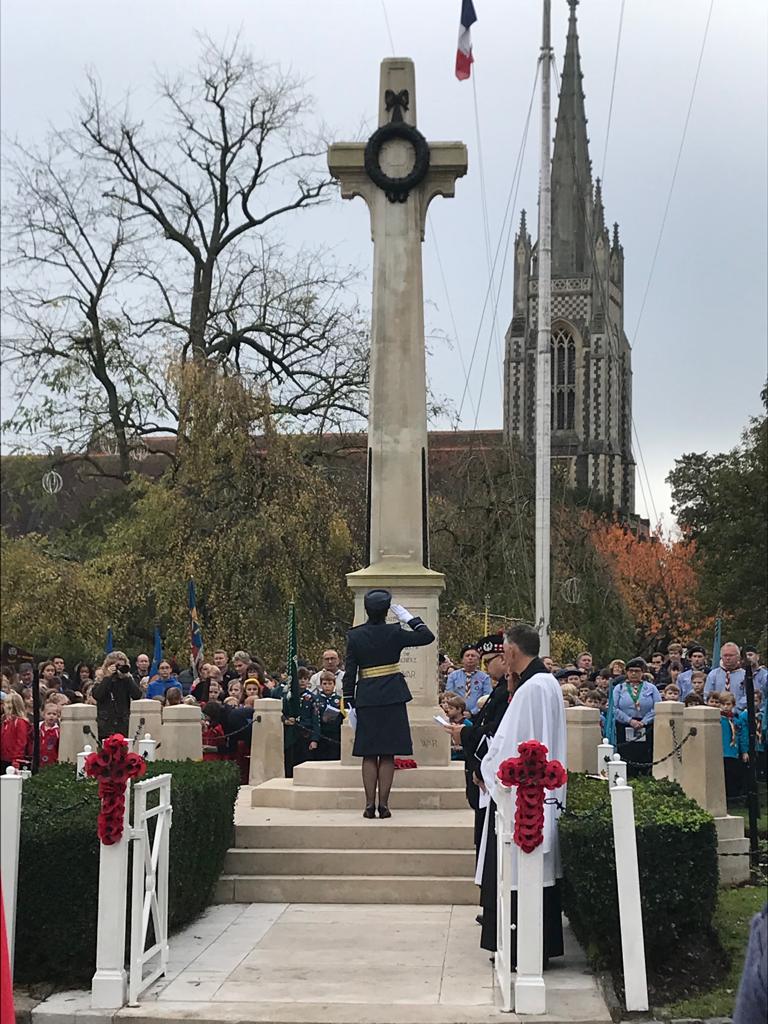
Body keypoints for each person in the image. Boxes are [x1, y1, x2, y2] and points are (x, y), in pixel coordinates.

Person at [476, 623, 566, 962]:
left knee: (519, 868)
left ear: (513, 651)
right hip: (540, 794)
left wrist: (488, 769)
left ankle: (519, 949)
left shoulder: (533, 690)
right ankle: (536, 946)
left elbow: (510, 744)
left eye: (504, 651)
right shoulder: (544, 683)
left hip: (525, 800)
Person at [342, 589, 435, 819]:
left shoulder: (355, 636)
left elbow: (350, 671)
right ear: (386, 611)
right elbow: (427, 636)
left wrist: (349, 698)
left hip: (367, 696)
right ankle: (383, 805)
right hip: (392, 696)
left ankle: (368, 804)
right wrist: (409, 618)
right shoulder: (395, 632)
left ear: (366, 610)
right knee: (386, 754)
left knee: (368, 753)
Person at [612, 657, 661, 776]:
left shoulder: (651, 688)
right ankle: (627, 774)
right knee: (627, 751)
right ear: (626, 672)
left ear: (642, 672)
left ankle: (644, 774)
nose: (634, 673)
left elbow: (658, 707)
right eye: (631, 671)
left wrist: (644, 721)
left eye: (637, 671)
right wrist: (629, 721)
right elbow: (613, 708)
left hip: (645, 725)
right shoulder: (619, 688)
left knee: (644, 752)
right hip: (625, 724)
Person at [92, 651, 142, 740]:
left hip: (122, 725)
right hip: (106, 725)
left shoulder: (127, 680)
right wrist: (107, 677)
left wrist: (128, 678)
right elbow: (97, 695)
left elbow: (137, 695)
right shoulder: (102, 679)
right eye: (117, 665)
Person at [444, 645, 492, 714]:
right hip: (456, 714)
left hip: (477, 715)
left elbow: (487, 698)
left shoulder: (485, 678)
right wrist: (457, 711)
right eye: (467, 656)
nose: (470, 658)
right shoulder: (453, 676)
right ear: (462, 660)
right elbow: (449, 696)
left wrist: (472, 712)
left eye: (473, 656)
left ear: (478, 660)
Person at [720, 691, 747, 800]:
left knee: (733, 774)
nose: (725, 707)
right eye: (723, 704)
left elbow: (741, 736)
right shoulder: (718, 720)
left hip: (733, 752)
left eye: (728, 704)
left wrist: (744, 751)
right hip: (721, 752)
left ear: (733, 705)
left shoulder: (736, 720)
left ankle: (733, 796)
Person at [704, 642, 747, 709]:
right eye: (725, 655)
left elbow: (748, 696)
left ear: (738, 657)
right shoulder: (713, 674)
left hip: (738, 713)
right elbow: (707, 695)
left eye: (731, 655)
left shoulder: (745, 675)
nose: (728, 658)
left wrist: (734, 708)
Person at [0, 690, 33, 771]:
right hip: (4, 758)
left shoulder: (20, 722)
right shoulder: (5, 721)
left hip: (14, 761)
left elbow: (21, 742)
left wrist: (16, 759)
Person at [316, 670, 343, 759]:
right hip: (322, 733)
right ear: (321, 685)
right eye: (325, 684)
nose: (327, 686)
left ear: (334, 685)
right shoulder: (316, 699)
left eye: (330, 683)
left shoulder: (339, 700)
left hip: (335, 734)